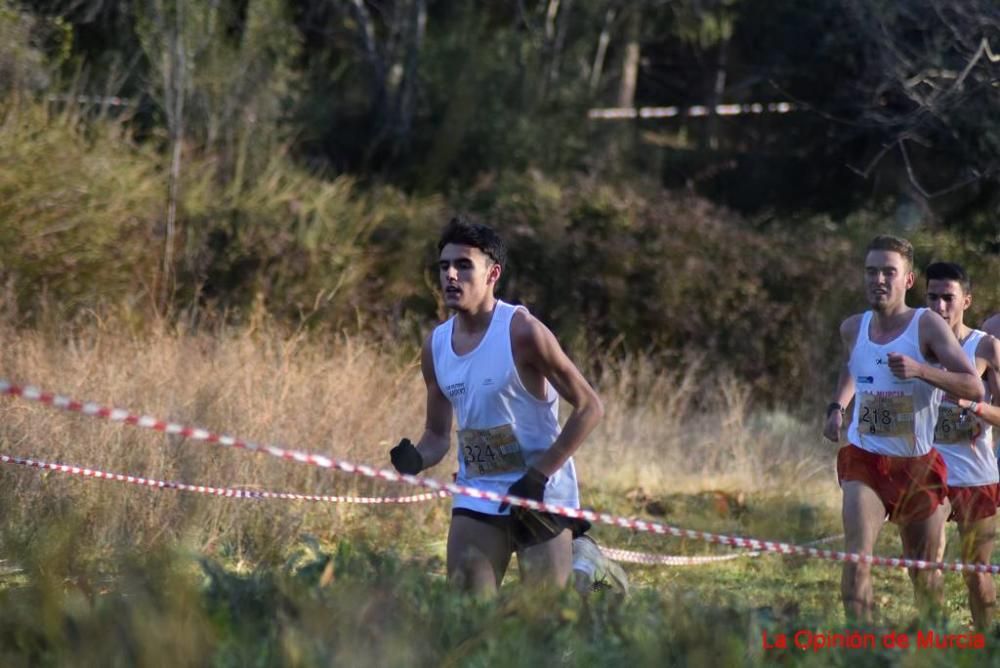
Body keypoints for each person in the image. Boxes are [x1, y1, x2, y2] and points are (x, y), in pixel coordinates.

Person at [390, 216, 604, 596]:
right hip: (479, 492)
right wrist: (416, 458)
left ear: (493, 274)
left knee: (543, 625)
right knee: (465, 618)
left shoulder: (522, 331)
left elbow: (590, 408)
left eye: (463, 266)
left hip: (540, 493)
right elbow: (438, 435)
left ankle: (587, 571)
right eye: (444, 267)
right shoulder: (436, 346)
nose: (450, 276)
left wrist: (538, 475)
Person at [822, 235, 983, 623]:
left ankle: (932, 652)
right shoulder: (851, 327)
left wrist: (921, 371)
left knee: (924, 575)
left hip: (916, 466)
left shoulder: (926, 325)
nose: (878, 279)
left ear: (907, 280)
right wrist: (837, 406)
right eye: (871, 271)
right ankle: (863, 653)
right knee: (856, 560)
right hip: (865, 460)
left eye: (888, 272)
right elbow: (854, 364)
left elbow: (973, 385)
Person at [925, 262, 1000, 630]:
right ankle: (937, 643)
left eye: (948, 298)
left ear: (966, 301)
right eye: (932, 297)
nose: (939, 306)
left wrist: (975, 406)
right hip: (927, 474)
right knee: (926, 565)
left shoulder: (985, 346)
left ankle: (988, 646)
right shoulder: (915, 342)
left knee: (976, 573)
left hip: (975, 476)